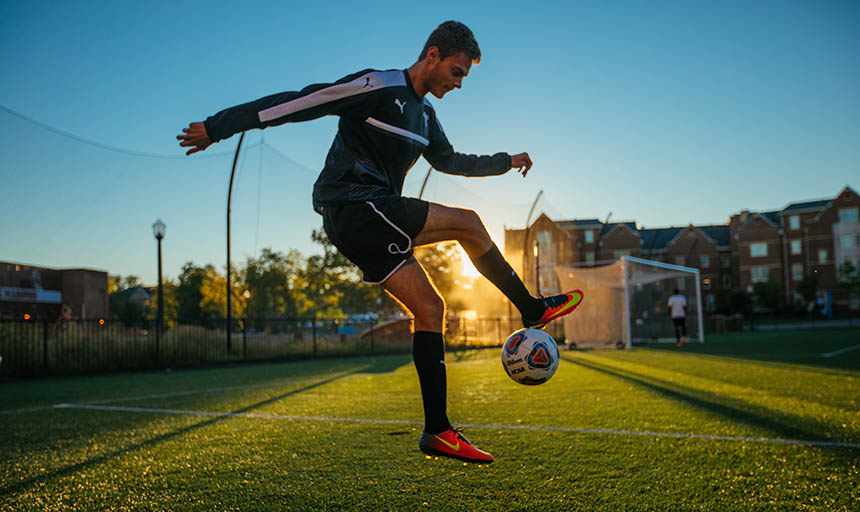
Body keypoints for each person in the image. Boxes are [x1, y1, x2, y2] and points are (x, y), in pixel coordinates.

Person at [177, 21, 583, 463]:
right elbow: (300, 102)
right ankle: (531, 307)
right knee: (469, 223)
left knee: (430, 310)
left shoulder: (426, 117)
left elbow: (450, 161)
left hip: (375, 218)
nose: (459, 83)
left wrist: (506, 161)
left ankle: (438, 431)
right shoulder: (376, 86)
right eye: (457, 71)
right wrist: (217, 127)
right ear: (432, 55)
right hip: (352, 206)